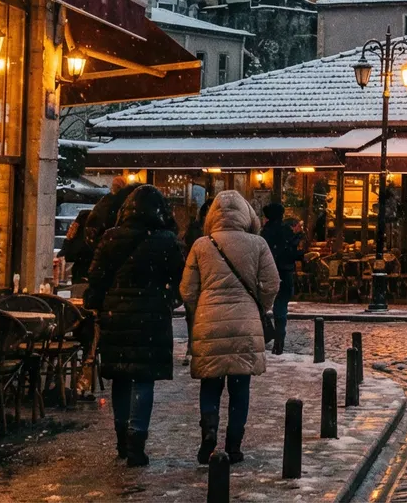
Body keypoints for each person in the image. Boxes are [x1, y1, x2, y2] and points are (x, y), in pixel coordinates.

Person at [82, 183, 183, 467]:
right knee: (144, 379)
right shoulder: (167, 241)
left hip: (118, 317)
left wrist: (100, 304)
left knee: (121, 376)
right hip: (152, 318)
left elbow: (96, 278)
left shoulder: (111, 238)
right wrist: (166, 300)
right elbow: (179, 280)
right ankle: (137, 438)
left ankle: (121, 438)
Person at [182, 190, 280, 465]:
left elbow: (186, 290)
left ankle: (209, 434)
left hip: (208, 323)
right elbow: (272, 283)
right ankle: (234, 445)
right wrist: (260, 305)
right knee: (240, 388)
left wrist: (201, 306)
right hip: (245, 323)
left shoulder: (202, 245)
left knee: (210, 386)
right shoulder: (257, 244)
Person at [64, 183, 135, 285]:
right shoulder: (116, 223)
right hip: (97, 276)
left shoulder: (91, 218)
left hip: (84, 275)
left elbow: (70, 253)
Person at [261, 202, 303, 355]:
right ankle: (279, 343)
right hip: (284, 274)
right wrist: (301, 254)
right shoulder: (285, 232)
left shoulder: (264, 233)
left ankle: (268, 334)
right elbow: (291, 254)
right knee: (280, 309)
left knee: (262, 306)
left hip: (267, 273)